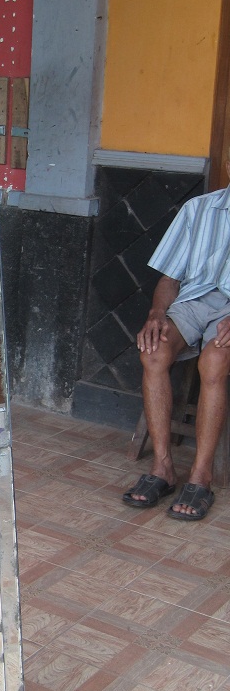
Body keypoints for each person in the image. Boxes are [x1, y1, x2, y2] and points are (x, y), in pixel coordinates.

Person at [122, 158, 230, 520]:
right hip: (193, 302)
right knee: (153, 352)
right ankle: (163, 467)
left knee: (214, 360)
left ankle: (201, 476)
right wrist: (157, 313)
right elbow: (170, 278)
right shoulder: (198, 209)